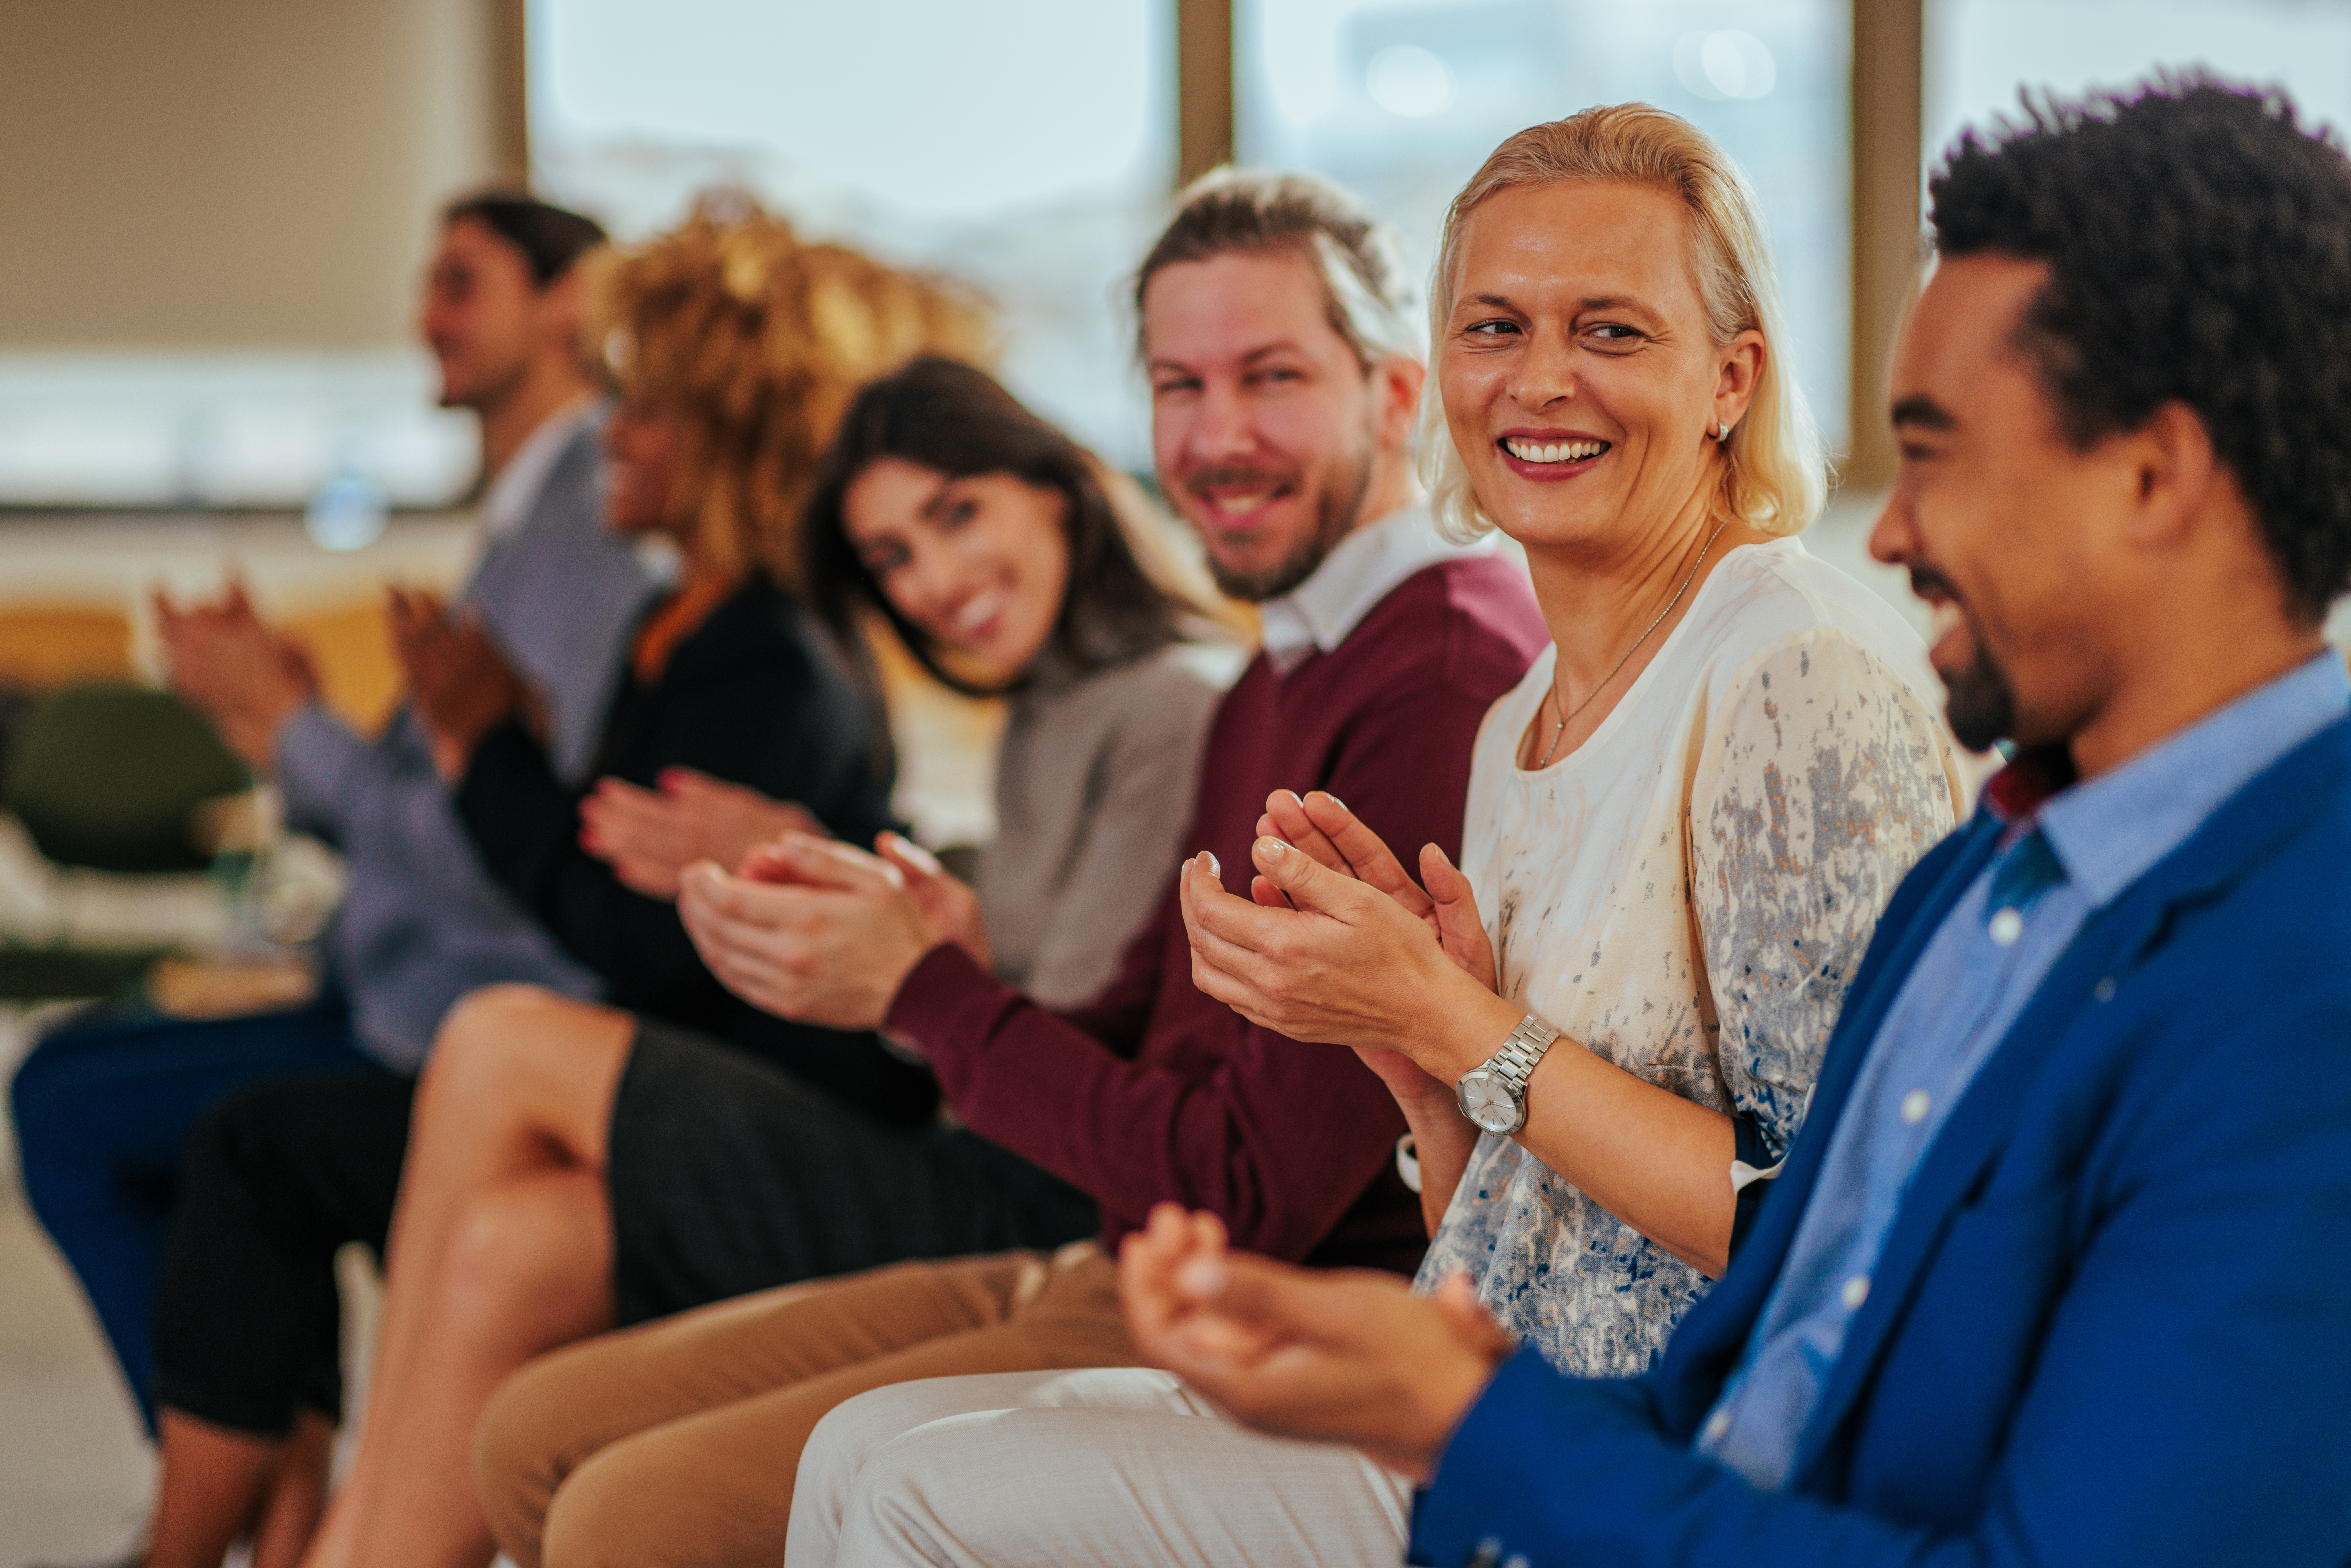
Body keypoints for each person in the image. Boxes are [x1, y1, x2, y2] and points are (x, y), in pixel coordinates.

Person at [1118, 78, 2351, 1568]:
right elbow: (1781, 1327)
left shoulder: (2297, 989)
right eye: (1494, 326)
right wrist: (1428, 1092)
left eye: (1940, 450)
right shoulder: (1994, 874)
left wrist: (1472, 1419)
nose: (1888, 531)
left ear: (2154, 479)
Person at [787, 104, 1969, 1568]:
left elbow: (1836, 1229)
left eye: (1609, 331)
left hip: (1663, 1461)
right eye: (1495, 328)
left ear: (1730, 379)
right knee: (857, 1446)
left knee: (918, 1494)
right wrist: (1413, 1067)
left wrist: (1455, 1023)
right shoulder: (1517, 717)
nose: (1540, 380)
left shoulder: (1791, 670)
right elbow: (1501, 1218)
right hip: (1475, 1387)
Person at [463, 167, 1551, 1568]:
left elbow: (1248, 1189)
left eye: (1270, 376)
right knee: (532, 1431)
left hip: (1249, 1297)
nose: (1215, 435)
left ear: (1394, 396)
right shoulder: (1272, 670)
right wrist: (939, 965)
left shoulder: (1430, 678)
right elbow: (1151, 1027)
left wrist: (928, 995)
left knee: (626, 1508)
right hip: (1113, 1246)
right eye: (1178, 386)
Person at [131, 203, 980, 1568]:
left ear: (723, 433)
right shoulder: (678, 625)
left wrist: (488, 750)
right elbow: (609, 891)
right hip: (683, 1069)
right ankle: (343, 1533)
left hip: (777, 1104)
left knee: (398, 1095)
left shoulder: (769, 657)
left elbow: (627, 942)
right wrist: (499, 750)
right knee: (479, 1222)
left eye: (641, 408)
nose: (611, 433)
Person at [7, 192, 652, 1451]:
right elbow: (440, 798)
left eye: (461, 284)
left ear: (567, 302)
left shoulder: (585, 520)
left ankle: (240, 1487)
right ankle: (263, 1481)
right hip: (398, 985)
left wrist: (291, 727)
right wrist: (276, 722)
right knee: (99, 1080)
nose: (425, 318)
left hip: (459, 1016)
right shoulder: (529, 514)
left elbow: (498, 842)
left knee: (71, 1107)